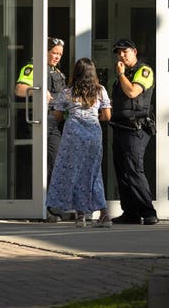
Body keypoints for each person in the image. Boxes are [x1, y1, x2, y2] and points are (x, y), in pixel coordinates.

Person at [45, 58, 112, 227]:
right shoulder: (100, 90)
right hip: (93, 135)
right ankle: (104, 214)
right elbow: (107, 116)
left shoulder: (68, 91)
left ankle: (81, 215)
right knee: (93, 173)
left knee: (75, 172)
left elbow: (58, 116)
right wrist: (95, 116)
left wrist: (67, 112)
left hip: (73, 136)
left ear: (76, 73)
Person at [15, 37, 67, 221]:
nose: (57, 57)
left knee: (56, 163)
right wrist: (37, 90)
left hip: (55, 123)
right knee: (39, 165)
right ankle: (36, 208)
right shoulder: (33, 67)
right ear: (44, 51)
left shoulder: (56, 71)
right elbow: (19, 89)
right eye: (54, 53)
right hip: (38, 121)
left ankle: (51, 206)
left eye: (60, 54)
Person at [109, 39, 158, 225]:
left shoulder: (143, 71)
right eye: (118, 52)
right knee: (122, 171)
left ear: (134, 51)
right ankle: (130, 212)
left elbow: (132, 93)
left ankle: (148, 212)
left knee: (134, 169)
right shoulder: (123, 74)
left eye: (125, 52)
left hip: (136, 128)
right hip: (120, 127)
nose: (121, 55)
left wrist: (121, 75)